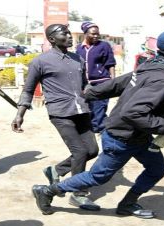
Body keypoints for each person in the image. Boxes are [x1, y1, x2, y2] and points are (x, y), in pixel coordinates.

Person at [31, 29, 164, 216]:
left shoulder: (155, 65)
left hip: (139, 135)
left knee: (157, 168)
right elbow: (134, 113)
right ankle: (47, 191)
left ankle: (127, 204)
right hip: (122, 137)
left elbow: (120, 83)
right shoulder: (162, 76)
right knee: (97, 176)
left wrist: (91, 93)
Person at [12, 24, 100, 211]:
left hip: (81, 111)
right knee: (80, 152)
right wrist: (20, 114)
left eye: (69, 33)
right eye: (65, 33)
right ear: (51, 39)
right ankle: (78, 193)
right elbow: (27, 90)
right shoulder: (40, 62)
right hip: (60, 113)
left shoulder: (77, 59)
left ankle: (56, 170)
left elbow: (84, 85)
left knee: (92, 150)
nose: (70, 36)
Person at [76, 21, 116, 133]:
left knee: (100, 107)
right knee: (89, 107)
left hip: (102, 81)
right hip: (86, 83)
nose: (96, 36)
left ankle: (100, 130)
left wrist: (112, 81)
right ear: (85, 34)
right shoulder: (79, 48)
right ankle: (96, 128)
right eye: (93, 34)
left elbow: (110, 63)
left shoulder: (104, 46)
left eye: (97, 33)